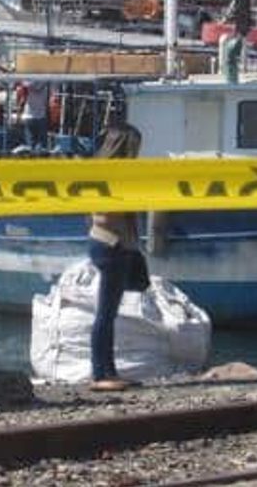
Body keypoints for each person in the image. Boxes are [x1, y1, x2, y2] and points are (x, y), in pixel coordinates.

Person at [87, 123, 143, 392]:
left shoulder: (103, 170)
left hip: (109, 243)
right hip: (111, 245)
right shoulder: (112, 174)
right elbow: (109, 212)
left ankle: (109, 371)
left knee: (109, 314)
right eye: (134, 147)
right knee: (105, 314)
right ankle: (100, 374)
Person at [15, 79, 50, 150]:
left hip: (28, 116)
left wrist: (18, 117)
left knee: (30, 144)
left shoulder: (27, 84)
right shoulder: (45, 82)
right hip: (41, 116)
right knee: (41, 145)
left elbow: (22, 101)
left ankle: (31, 157)